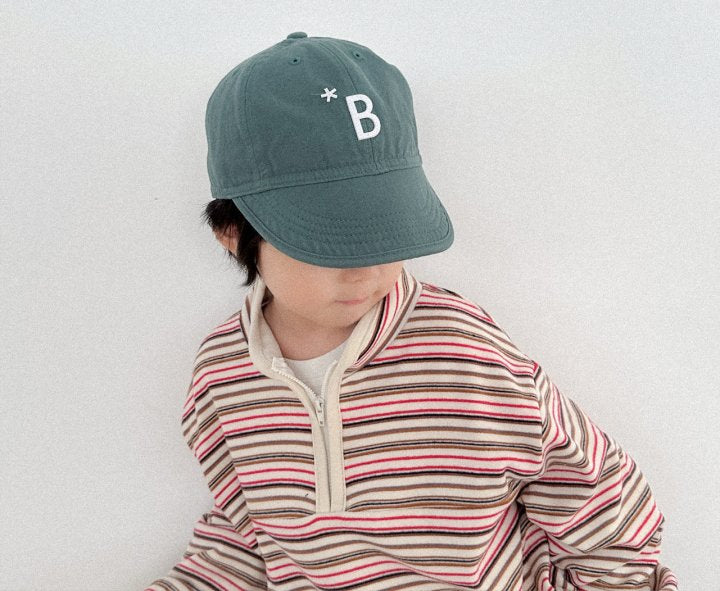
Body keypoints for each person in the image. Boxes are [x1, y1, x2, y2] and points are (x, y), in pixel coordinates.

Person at [143, 31, 677, 591]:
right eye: (330, 243)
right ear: (232, 234)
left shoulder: (463, 352)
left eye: (385, 232)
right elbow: (247, 537)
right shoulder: (221, 377)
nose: (366, 271)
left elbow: (603, 504)